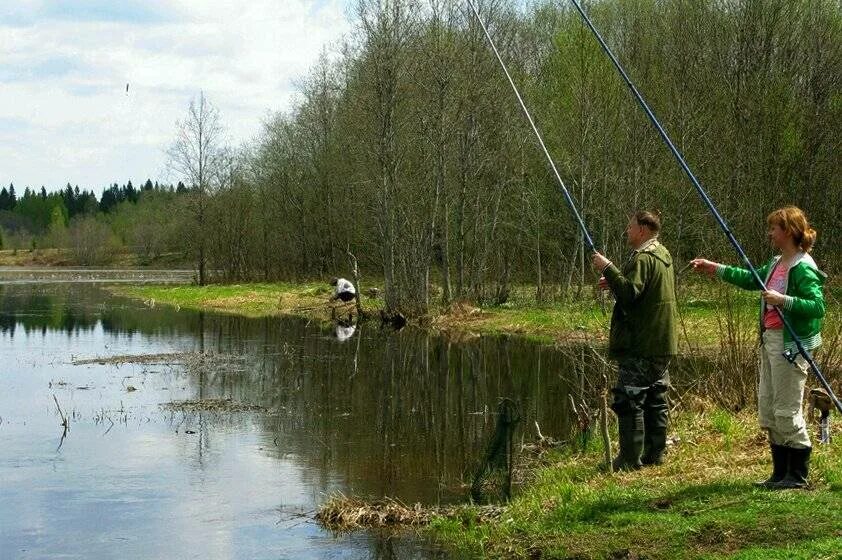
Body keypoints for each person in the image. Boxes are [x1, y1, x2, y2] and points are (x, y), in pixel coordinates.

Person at [691, 206, 825, 489]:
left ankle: (797, 476)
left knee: (787, 410)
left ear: (787, 231)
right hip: (770, 341)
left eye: (774, 228)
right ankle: (779, 474)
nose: (770, 233)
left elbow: (817, 308)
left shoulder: (803, 267)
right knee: (768, 408)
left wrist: (782, 300)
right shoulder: (777, 262)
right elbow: (752, 278)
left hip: (791, 345)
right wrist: (715, 269)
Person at [592, 210, 679, 471]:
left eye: (630, 227)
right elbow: (641, 290)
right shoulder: (663, 254)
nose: (627, 231)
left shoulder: (642, 257)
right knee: (656, 396)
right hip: (662, 341)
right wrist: (614, 281)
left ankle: (629, 459)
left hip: (642, 342)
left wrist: (607, 267)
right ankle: (655, 454)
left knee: (630, 398)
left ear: (642, 229)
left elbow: (630, 294)